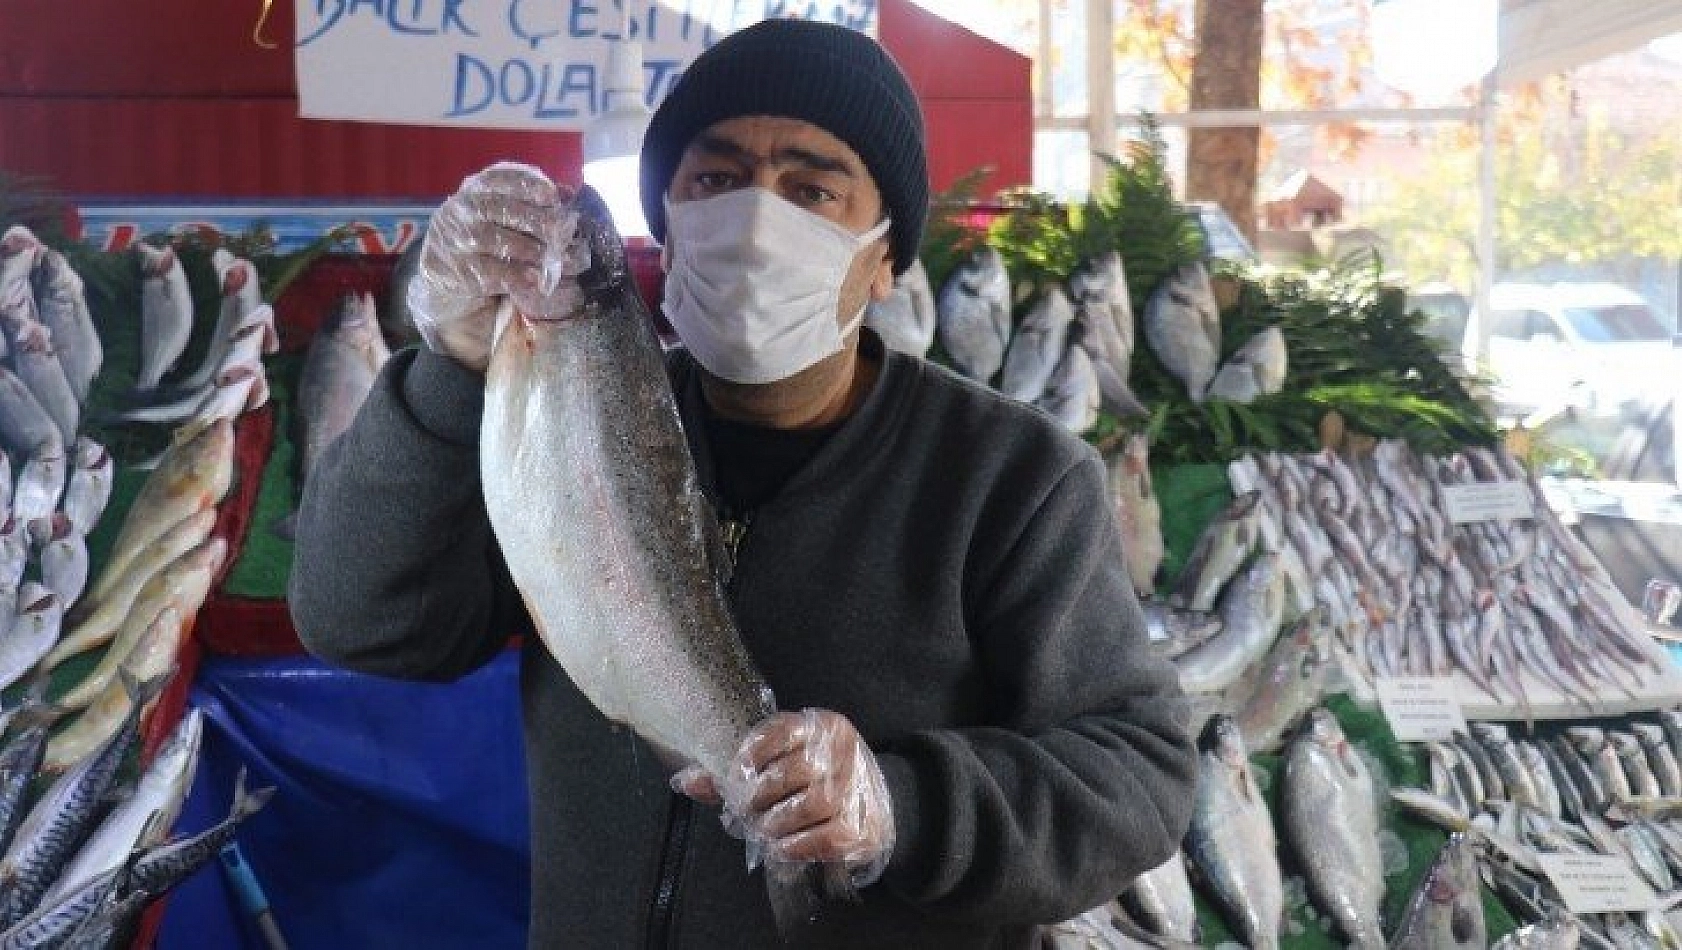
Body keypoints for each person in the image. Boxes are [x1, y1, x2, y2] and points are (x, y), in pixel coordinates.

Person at [290, 18, 1196, 950]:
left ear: (885, 256)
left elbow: (1140, 773)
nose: (758, 218)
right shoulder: (565, 423)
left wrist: (902, 806)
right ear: (670, 224)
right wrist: (455, 370)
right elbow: (361, 621)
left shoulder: (1013, 478)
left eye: (812, 189)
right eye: (714, 180)